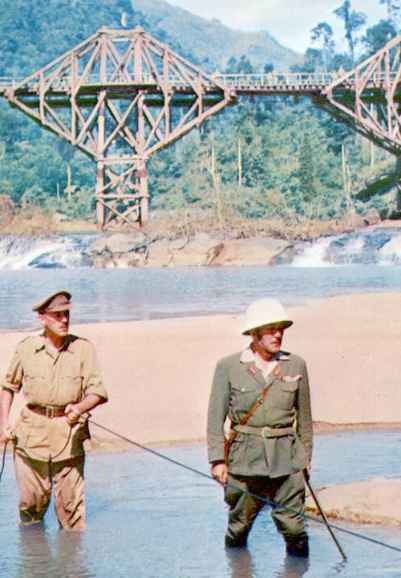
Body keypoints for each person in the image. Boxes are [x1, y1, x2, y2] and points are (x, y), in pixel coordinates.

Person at [207, 298, 313, 556]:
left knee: (295, 529)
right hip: (244, 461)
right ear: (254, 333)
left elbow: (306, 421)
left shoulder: (295, 364)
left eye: (281, 329)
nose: (278, 334)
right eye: (271, 329)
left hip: (287, 461)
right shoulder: (228, 367)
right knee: (238, 528)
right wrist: (217, 460)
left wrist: (305, 461)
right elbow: (214, 418)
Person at [0, 290, 108, 530]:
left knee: (72, 515)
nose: (64, 320)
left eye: (66, 314)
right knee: (31, 508)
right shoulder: (26, 348)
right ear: (42, 318)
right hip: (31, 439)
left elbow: (98, 392)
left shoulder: (83, 349)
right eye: (57, 315)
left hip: (69, 437)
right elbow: (8, 387)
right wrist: (3, 424)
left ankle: (72, 566)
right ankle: (35, 562)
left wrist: (80, 407)